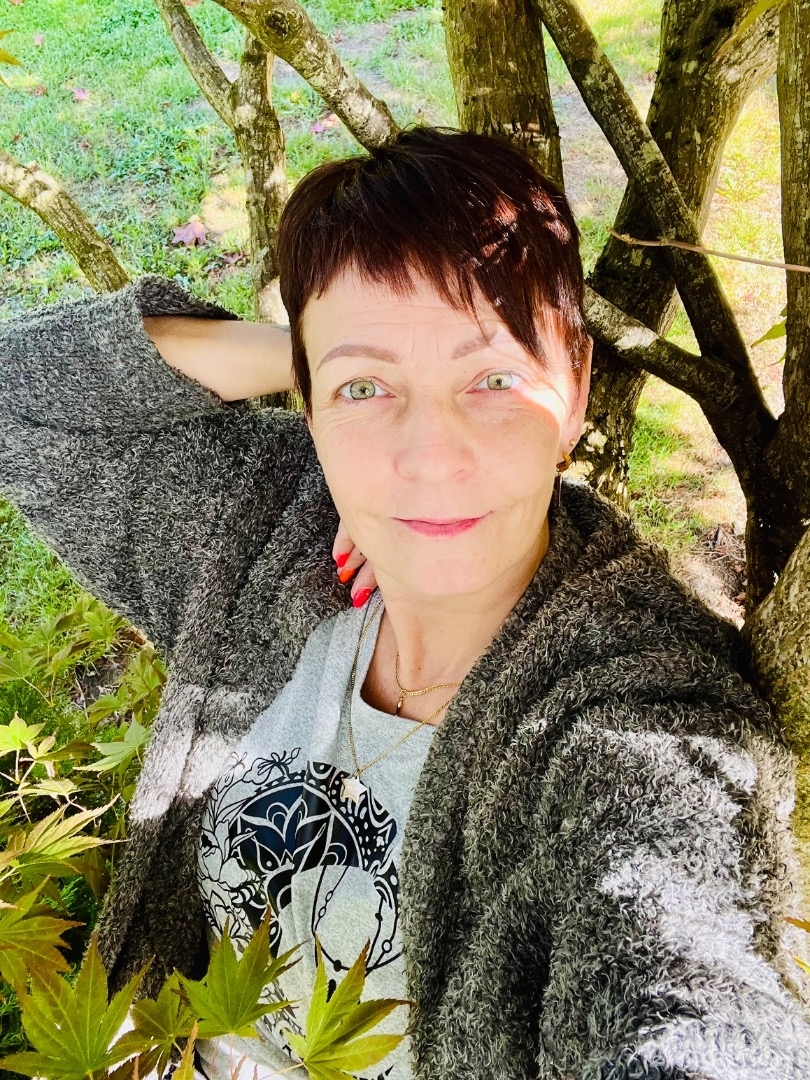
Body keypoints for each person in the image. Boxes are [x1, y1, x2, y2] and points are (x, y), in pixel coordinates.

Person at [1, 124, 810, 1080]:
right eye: (365, 389)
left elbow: (682, 969)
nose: (431, 458)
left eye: (494, 378)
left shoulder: (636, 717)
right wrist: (311, 355)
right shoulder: (266, 530)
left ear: (577, 384)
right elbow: (20, 395)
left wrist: (363, 364)